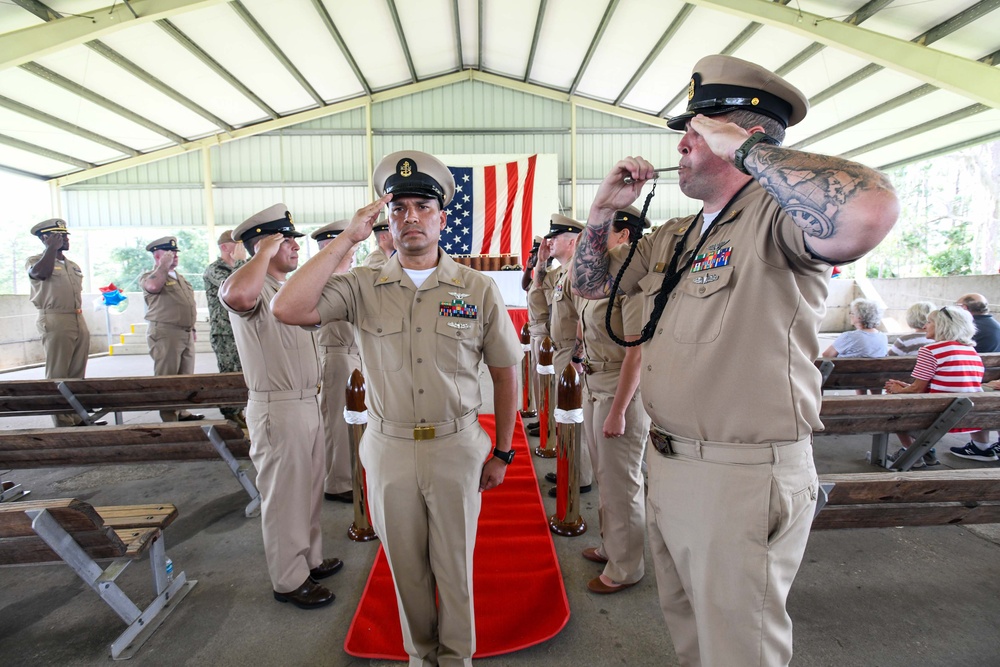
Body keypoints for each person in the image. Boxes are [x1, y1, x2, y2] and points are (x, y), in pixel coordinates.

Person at [571, 54, 898, 666]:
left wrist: (748, 153)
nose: (683, 146)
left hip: (740, 474)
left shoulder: (778, 221)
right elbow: (591, 286)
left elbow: (869, 212)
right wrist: (600, 215)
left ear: (742, 135)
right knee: (693, 635)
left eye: (698, 130)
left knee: (739, 648)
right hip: (668, 461)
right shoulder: (678, 234)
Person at [272, 149, 522, 666]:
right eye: (399, 208)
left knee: (454, 569)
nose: (411, 217)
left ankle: (457, 659)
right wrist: (347, 238)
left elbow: (504, 370)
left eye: (422, 207)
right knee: (406, 569)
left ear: (442, 218)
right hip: (388, 449)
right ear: (385, 221)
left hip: (457, 446)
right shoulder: (363, 286)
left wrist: (502, 452)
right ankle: (419, 656)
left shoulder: (476, 288)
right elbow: (288, 307)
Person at [220, 204, 343, 609]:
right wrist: (257, 255)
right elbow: (236, 295)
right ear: (266, 244)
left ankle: (308, 560)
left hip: (308, 401)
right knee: (284, 497)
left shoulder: (283, 290)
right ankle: (288, 580)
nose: (294, 247)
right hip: (278, 407)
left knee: (307, 492)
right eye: (286, 240)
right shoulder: (250, 287)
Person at [573, 206, 650, 594]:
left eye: (603, 230)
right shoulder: (601, 279)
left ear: (623, 234)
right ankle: (612, 546)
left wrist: (619, 410)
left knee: (622, 483)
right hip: (594, 382)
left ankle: (626, 567)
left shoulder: (632, 282)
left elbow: (636, 352)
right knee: (607, 477)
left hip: (620, 389)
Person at [885, 306, 991, 464]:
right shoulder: (970, 351)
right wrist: (905, 387)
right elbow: (952, 385)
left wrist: (898, 390)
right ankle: (981, 447)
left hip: (940, 415)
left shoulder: (931, 350)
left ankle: (912, 454)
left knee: (892, 407)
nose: (924, 326)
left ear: (942, 325)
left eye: (929, 322)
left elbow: (917, 389)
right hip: (970, 415)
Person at [535, 214, 594, 496]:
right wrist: (541, 262)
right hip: (561, 351)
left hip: (571, 354)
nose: (549, 242)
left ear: (572, 242)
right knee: (565, 416)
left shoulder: (577, 272)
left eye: (555, 237)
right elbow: (534, 289)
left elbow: (584, 318)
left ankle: (578, 477)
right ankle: (568, 469)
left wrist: (577, 358)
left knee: (573, 415)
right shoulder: (562, 273)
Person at [310, 220, 362, 504]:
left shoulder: (344, 277)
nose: (353, 250)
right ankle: (337, 482)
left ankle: (347, 475)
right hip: (337, 355)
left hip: (352, 355)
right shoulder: (323, 280)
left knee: (351, 421)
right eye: (348, 246)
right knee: (337, 423)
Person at [26, 219, 95, 427]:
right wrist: (50, 250)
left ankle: (76, 417)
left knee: (76, 373)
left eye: (65, 236)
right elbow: (39, 274)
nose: (65, 239)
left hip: (77, 316)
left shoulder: (72, 265)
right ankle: (63, 421)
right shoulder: (36, 260)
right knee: (58, 373)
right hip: (55, 318)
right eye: (58, 236)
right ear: (45, 238)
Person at [140, 236, 203, 422]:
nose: (174, 255)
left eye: (175, 252)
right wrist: (163, 266)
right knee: (167, 376)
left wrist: (192, 328)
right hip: (166, 333)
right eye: (169, 252)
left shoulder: (180, 278)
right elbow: (152, 286)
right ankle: (169, 416)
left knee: (185, 375)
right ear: (157, 255)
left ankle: (183, 411)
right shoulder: (151, 276)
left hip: (185, 332)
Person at [203, 229, 247, 427]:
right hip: (224, 332)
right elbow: (235, 287)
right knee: (229, 374)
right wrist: (240, 262)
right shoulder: (215, 269)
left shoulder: (239, 267)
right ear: (224, 247)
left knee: (243, 372)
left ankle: (239, 410)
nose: (240, 248)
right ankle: (230, 412)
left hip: (241, 329)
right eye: (235, 244)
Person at [822, 298, 887, 358]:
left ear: (860, 317)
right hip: (875, 370)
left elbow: (827, 356)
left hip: (845, 370)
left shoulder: (849, 337)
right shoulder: (883, 337)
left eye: (852, 313)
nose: (850, 315)